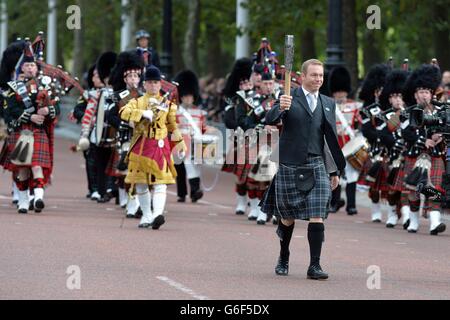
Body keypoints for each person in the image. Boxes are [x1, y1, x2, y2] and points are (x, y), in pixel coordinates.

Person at [260, 59, 345, 280]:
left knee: (317, 214)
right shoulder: (289, 97)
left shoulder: (328, 102)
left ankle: (314, 266)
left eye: (321, 75)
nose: (318, 79)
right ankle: (283, 256)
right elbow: (269, 120)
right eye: (314, 75)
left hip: (317, 164)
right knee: (287, 218)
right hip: (290, 163)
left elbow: (331, 139)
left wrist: (334, 170)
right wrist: (280, 107)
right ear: (303, 76)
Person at [119, 66, 186, 229]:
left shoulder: (168, 104)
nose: (153, 86)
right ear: (145, 84)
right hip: (141, 144)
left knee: (160, 183)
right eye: (150, 82)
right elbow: (123, 112)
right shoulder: (137, 102)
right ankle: (146, 215)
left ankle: (157, 214)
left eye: (156, 82)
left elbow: (172, 125)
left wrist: (180, 142)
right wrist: (141, 114)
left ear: (160, 84)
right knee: (141, 183)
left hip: (159, 146)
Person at [327, 66, 362, 215]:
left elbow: (360, 124)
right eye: (337, 92)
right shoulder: (328, 104)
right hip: (334, 145)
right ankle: (334, 203)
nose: (340, 94)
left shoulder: (355, 105)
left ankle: (351, 205)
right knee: (335, 175)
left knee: (352, 175)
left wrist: (357, 132)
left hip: (350, 145)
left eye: (342, 91)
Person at [173, 69, 206, 203]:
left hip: (194, 143)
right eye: (185, 96)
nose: (187, 98)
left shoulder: (199, 112)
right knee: (180, 170)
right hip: (180, 143)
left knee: (194, 167)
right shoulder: (176, 111)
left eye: (190, 96)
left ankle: (194, 192)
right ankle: (181, 193)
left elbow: (202, 127)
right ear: (181, 96)